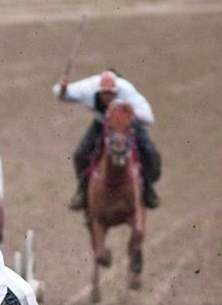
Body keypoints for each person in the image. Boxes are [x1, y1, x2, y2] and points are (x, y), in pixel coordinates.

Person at [55, 69, 161, 210]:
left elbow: (148, 117)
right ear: (98, 91)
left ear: (117, 91)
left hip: (125, 124)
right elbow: (61, 93)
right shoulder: (88, 87)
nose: (107, 97)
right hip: (102, 123)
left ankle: (148, 189)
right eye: (104, 93)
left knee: (151, 152)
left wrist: (129, 113)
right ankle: (82, 191)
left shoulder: (127, 90)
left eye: (111, 93)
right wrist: (62, 88)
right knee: (79, 154)